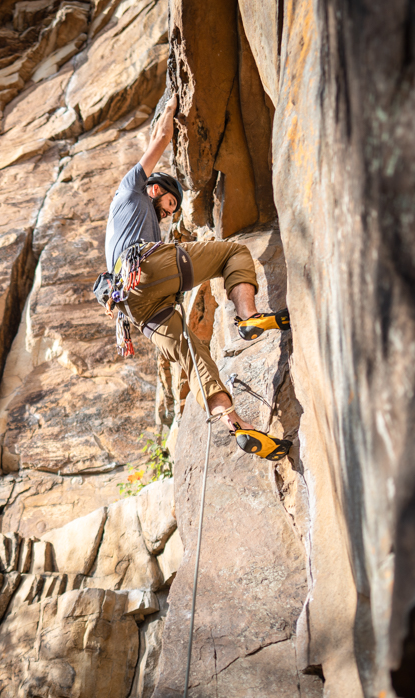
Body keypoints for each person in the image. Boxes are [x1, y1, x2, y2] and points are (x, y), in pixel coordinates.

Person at [99, 92, 292, 461]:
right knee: (234, 253)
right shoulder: (130, 191)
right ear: (154, 189)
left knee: (195, 356)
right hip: (145, 268)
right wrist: (171, 106)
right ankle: (249, 318)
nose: (167, 214)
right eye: (169, 204)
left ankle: (237, 426)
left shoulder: (124, 227)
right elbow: (160, 138)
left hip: (135, 310)